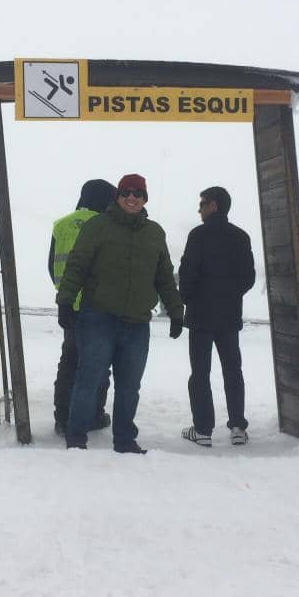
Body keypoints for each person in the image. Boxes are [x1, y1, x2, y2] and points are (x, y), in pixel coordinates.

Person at [56, 173, 184, 453]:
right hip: (98, 318)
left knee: (129, 386)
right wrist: (65, 301)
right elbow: (77, 265)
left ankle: (125, 440)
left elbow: (164, 276)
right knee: (89, 379)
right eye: (126, 192)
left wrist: (176, 312)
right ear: (117, 196)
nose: (131, 198)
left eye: (138, 193)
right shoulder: (97, 226)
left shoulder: (154, 233)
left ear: (145, 198)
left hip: (136, 323)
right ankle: (76, 437)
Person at [178, 186, 255, 447]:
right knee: (233, 370)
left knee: (200, 372)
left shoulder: (198, 235)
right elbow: (249, 277)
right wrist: (230, 296)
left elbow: (187, 272)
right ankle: (238, 427)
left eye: (202, 204)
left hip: (200, 316)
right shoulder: (241, 237)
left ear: (213, 205)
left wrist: (189, 298)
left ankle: (202, 429)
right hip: (229, 315)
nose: (199, 209)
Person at [49, 179, 116, 435]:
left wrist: (65, 294)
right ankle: (94, 415)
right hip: (97, 305)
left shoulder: (61, 224)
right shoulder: (104, 224)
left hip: (69, 305)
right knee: (98, 363)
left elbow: (51, 265)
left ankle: (62, 417)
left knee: (69, 362)